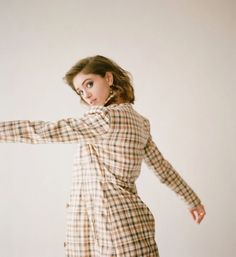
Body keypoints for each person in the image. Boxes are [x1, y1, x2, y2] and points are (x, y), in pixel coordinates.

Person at [0, 55, 206, 257]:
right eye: (80, 91)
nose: (86, 95)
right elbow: (162, 167)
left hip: (107, 225)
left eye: (89, 84)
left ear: (108, 78)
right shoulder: (141, 122)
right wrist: (192, 200)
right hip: (132, 222)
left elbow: (48, 130)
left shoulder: (104, 118)